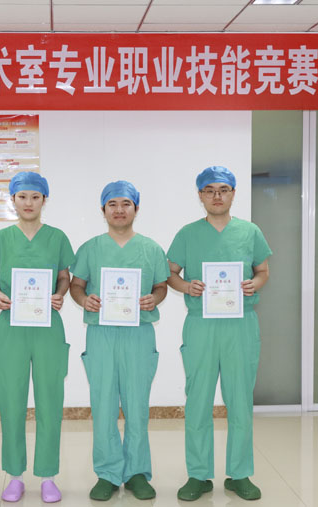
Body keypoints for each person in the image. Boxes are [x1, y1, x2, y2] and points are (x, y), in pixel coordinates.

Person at [167, 166, 272, 502]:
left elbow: (263, 270)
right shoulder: (187, 234)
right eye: (209, 190)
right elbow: (170, 273)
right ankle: (198, 474)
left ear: (233, 194)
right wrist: (187, 286)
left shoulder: (250, 232)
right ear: (200, 195)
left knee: (240, 400)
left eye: (223, 189)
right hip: (201, 325)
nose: (217, 196)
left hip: (240, 325)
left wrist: (254, 284)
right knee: (198, 400)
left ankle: (239, 474)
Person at [70, 180, 170, 501]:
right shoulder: (90, 248)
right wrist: (84, 300)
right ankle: (108, 473)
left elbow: (161, 286)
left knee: (137, 405)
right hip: (101, 334)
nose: (119, 210)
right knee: (103, 405)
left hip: (138, 334)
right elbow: (76, 285)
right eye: (112, 204)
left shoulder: (151, 249)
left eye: (126, 203)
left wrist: (155, 298)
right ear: (103, 210)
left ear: (136, 209)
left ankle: (137, 472)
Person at [0, 171, 75, 503]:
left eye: (35, 197)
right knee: (11, 401)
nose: (28, 202)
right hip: (12, 327)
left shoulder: (57, 237)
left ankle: (48, 476)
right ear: (13, 199)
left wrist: (60, 294)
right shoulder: (2, 238)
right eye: (22, 196)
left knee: (50, 400)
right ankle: (15, 475)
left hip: (48, 327)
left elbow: (64, 277)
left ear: (44, 200)